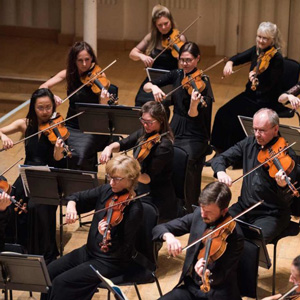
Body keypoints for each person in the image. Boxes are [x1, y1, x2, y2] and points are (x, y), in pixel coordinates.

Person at [41, 155, 143, 300]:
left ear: (131, 179)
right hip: (89, 251)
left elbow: (125, 248)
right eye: (109, 177)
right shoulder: (107, 190)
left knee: (62, 282)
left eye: (117, 179)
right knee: (49, 271)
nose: (111, 182)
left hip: (110, 261)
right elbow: (76, 196)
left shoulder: (134, 209)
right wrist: (71, 205)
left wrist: (109, 233)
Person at [143, 42, 212, 213]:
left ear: (197, 59)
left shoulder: (204, 83)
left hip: (195, 132)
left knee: (182, 158)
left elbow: (195, 116)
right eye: (182, 60)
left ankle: (186, 204)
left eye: (189, 60)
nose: (185, 64)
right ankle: (162, 199)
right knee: (158, 151)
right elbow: (147, 85)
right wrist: (154, 87)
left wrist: (194, 104)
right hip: (175, 126)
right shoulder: (178, 74)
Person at [211, 108, 297, 243]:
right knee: (216, 229)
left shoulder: (288, 157)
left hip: (271, 215)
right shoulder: (249, 143)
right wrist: (221, 171)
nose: (257, 134)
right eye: (255, 129)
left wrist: (283, 186)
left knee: (251, 245)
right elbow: (219, 159)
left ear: (275, 129)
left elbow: (290, 201)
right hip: (244, 207)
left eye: (262, 130)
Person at [0, 88, 66, 263]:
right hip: (27, 173)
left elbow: (59, 159)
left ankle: (46, 254)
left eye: (48, 107)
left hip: (48, 176)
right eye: (40, 108)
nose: (45, 112)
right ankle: (18, 247)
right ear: (33, 107)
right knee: (8, 201)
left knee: (37, 208)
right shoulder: (24, 124)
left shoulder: (58, 127)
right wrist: (3, 137)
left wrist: (59, 150)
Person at [152, 181, 244, 300]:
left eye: (208, 212)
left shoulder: (235, 236)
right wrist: (168, 236)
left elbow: (222, 275)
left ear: (224, 211)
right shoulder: (199, 215)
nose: (203, 214)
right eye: (202, 208)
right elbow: (159, 228)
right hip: (190, 287)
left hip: (215, 293)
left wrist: (206, 273)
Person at [210, 21, 284, 156]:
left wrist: (256, 78)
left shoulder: (277, 59)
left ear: (272, 40)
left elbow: (270, 86)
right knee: (222, 112)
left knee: (235, 119)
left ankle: (234, 155)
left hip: (265, 100)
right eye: (259, 36)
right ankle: (218, 151)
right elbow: (237, 57)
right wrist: (230, 63)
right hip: (249, 96)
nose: (261, 40)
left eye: (265, 38)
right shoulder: (256, 51)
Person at [40, 41, 111, 171]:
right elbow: (43, 87)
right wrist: (51, 96)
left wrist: (103, 101)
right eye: (80, 60)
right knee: (54, 145)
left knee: (80, 153)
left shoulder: (99, 76)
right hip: (72, 123)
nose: (84, 64)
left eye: (87, 59)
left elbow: (103, 110)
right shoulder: (68, 74)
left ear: (92, 59)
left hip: (92, 126)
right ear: (74, 60)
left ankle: (86, 180)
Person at [100, 101, 176, 219]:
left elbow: (148, 178)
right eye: (143, 121)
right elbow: (124, 143)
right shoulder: (144, 133)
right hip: (138, 185)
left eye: (149, 122)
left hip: (155, 194)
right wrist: (108, 148)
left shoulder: (164, 146)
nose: (145, 125)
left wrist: (128, 171)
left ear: (161, 120)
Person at [129, 4, 186, 107]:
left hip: (170, 79)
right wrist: (142, 56)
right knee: (140, 100)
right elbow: (132, 53)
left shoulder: (179, 38)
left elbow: (182, 69)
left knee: (159, 105)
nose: (164, 27)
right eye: (160, 25)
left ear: (171, 21)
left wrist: (181, 60)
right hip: (153, 78)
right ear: (155, 25)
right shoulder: (152, 37)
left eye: (166, 23)